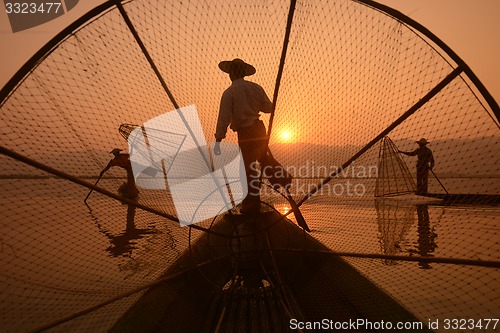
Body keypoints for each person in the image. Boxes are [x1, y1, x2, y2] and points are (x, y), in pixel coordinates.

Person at [214, 58, 274, 213]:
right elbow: (268, 108)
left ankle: (251, 203)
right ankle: (255, 199)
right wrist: (272, 104)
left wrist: (218, 139)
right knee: (260, 162)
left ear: (232, 74)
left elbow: (224, 118)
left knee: (248, 168)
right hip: (260, 130)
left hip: (246, 133)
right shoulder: (256, 88)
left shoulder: (229, 93)